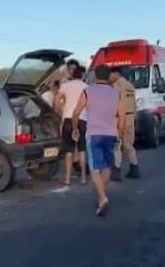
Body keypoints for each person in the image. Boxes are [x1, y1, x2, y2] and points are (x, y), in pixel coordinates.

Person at [71, 65, 125, 216]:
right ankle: (101, 194)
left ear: (95, 76)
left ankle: (102, 198)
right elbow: (122, 116)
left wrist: (75, 128)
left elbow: (76, 112)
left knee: (94, 170)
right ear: (108, 77)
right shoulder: (116, 93)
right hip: (111, 134)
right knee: (107, 167)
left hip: (94, 134)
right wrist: (119, 133)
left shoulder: (87, 92)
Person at [55, 67, 88, 185]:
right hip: (83, 119)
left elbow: (56, 100)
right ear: (82, 75)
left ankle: (67, 178)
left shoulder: (66, 86)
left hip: (68, 119)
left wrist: (62, 110)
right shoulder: (86, 87)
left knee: (68, 151)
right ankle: (83, 177)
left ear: (73, 75)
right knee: (82, 150)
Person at [109, 67, 140, 180]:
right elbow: (135, 105)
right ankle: (134, 168)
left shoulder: (115, 87)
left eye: (110, 74)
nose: (109, 77)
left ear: (116, 74)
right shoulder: (130, 86)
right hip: (131, 117)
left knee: (117, 145)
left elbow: (113, 104)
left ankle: (116, 171)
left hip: (119, 118)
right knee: (129, 145)